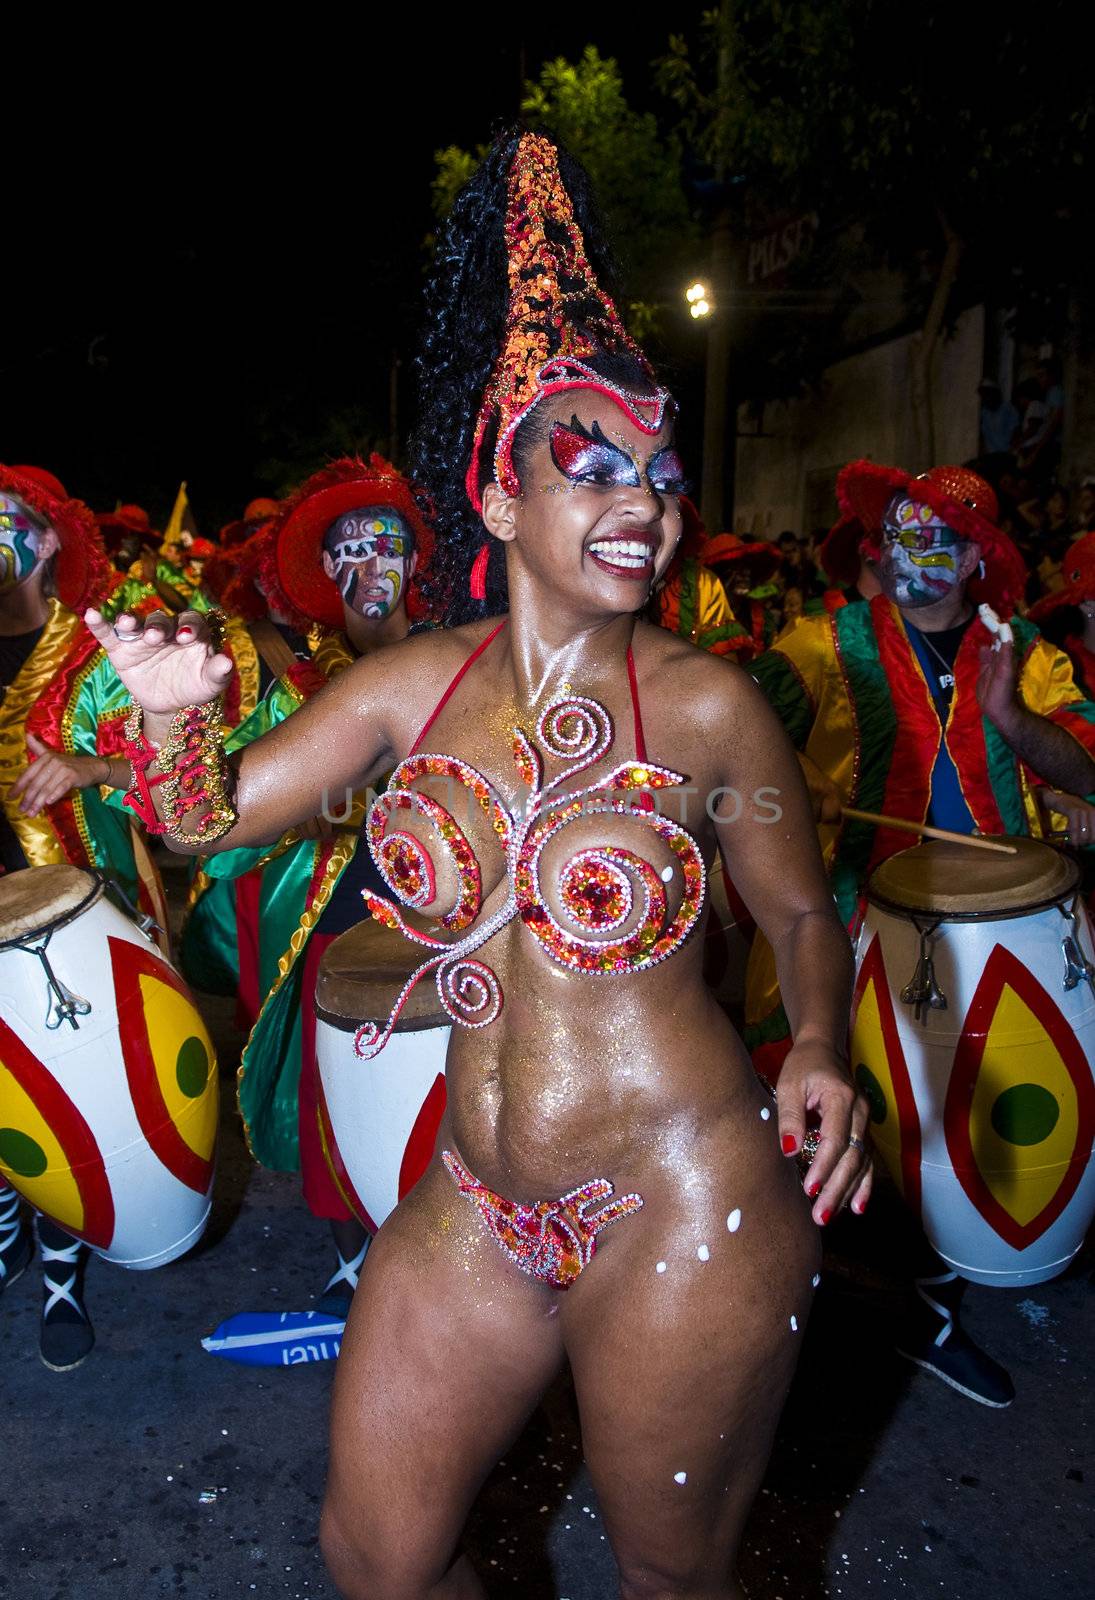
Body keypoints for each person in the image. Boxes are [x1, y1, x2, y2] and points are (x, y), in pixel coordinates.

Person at [85, 130, 868, 1600]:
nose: (641, 499)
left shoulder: (707, 705)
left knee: (671, 1580)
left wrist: (817, 1040)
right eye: (592, 471)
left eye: (657, 471)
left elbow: (794, 911)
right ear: (500, 504)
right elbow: (213, 818)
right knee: (375, 1558)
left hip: (683, 1195)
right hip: (472, 1196)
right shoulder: (409, 691)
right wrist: (175, 727)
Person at [749, 458, 1095, 1408]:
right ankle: (904, 1307)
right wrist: (784, 774)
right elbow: (727, 731)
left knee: (967, 1117)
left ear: (976, 555)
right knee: (854, 1122)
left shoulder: (1023, 652)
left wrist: (1013, 720)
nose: (918, 553)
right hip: (850, 924)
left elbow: (1088, 776)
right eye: (903, 532)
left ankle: (931, 1281)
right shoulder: (824, 646)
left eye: (942, 536)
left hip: (1000, 937)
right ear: (877, 546)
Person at [187, 456, 436, 1324]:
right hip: (333, 915)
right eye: (348, 551)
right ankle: (350, 1262)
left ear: (416, 557)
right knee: (338, 1101)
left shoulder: (465, 655)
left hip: (451, 918)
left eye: (388, 544)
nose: (370, 566)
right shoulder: (291, 676)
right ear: (323, 571)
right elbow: (219, 806)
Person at [977, 377, 1019, 459]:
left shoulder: (1008, 409)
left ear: (995, 393)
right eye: (983, 395)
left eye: (987, 394)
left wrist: (1011, 452)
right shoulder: (984, 413)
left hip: (1007, 454)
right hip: (991, 456)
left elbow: (1016, 432)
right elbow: (983, 436)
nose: (985, 398)